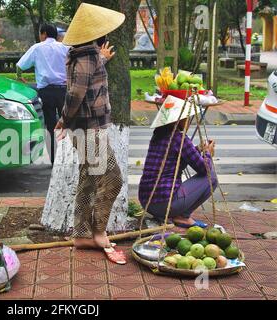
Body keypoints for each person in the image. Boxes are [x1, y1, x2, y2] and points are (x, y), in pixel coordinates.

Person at [54, 3, 127, 264]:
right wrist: (63, 119)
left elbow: (83, 80)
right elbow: (75, 94)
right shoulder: (86, 57)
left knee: (87, 179)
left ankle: (82, 234)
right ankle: (98, 232)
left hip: (84, 130)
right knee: (113, 179)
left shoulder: (84, 55)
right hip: (89, 131)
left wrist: (102, 60)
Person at [138, 96, 219, 228]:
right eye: (186, 118)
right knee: (212, 178)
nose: (188, 121)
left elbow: (179, 158)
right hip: (165, 203)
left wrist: (198, 149)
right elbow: (205, 169)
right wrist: (208, 153)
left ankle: (177, 215)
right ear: (179, 119)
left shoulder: (158, 135)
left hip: (147, 202)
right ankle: (183, 216)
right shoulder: (178, 138)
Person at [16, 23, 68, 164]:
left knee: (50, 126)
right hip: (64, 90)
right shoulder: (65, 47)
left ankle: (53, 160)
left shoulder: (37, 48)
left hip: (46, 92)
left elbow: (20, 66)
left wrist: (19, 76)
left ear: (43, 33)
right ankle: (68, 157)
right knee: (67, 123)